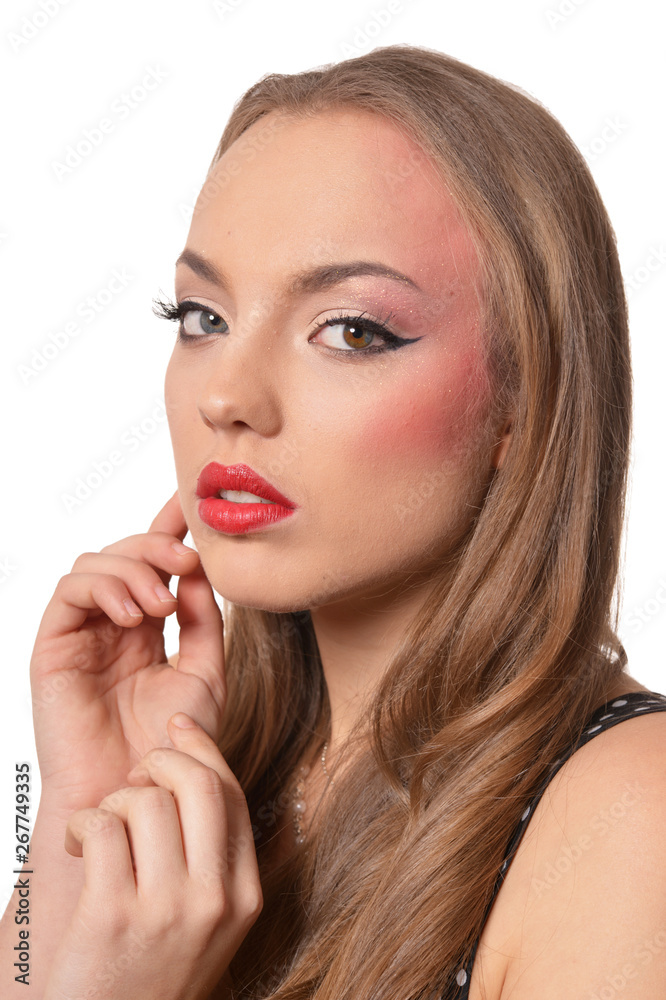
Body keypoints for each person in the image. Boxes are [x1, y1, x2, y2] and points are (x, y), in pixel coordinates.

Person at [2, 42, 666, 1000]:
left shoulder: (632, 810)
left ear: (525, 407)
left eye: (351, 331)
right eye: (201, 317)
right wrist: (70, 831)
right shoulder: (220, 762)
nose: (227, 395)